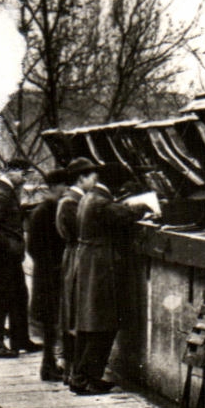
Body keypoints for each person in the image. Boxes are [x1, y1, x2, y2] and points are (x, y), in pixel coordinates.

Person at [68, 167, 152, 395]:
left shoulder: (89, 197)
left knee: (88, 325)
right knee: (102, 323)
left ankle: (80, 377)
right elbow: (123, 215)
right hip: (101, 267)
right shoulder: (100, 202)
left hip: (89, 264)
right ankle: (88, 380)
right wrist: (146, 206)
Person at [0, 158, 38, 359]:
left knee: (19, 297)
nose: (24, 179)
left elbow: (6, 218)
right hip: (2, 257)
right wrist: (11, 246)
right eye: (23, 174)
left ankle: (20, 339)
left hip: (8, 256)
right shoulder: (1, 194)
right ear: (11, 171)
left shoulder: (4, 191)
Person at [27, 163, 75, 383]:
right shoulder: (46, 211)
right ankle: (48, 366)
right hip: (50, 275)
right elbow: (34, 247)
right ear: (56, 186)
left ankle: (50, 365)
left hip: (47, 273)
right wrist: (55, 265)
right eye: (65, 186)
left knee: (51, 322)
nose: (67, 190)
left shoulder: (44, 209)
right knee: (51, 323)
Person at [54, 158, 94, 383]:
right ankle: (71, 368)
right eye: (92, 177)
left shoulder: (71, 199)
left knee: (72, 311)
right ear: (81, 178)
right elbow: (78, 231)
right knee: (74, 312)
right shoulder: (72, 202)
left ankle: (70, 368)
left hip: (74, 256)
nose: (94, 182)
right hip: (76, 257)